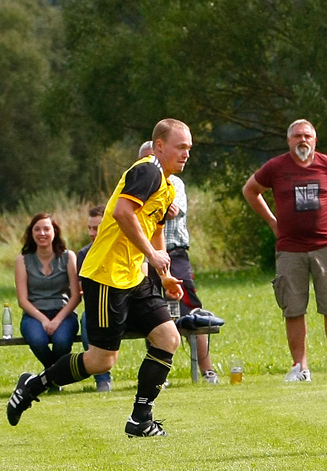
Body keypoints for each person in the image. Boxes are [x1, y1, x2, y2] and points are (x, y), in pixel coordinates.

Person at [7, 118, 193, 437]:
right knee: (101, 361)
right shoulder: (147, 170)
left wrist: (164, 276)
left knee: (168, 338)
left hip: (136, 278)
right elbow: (122, 212)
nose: (187, 153)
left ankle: (140, 419)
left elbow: (157, 229)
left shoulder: (165, 184)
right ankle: (33, 385)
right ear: (159, 146)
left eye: (190, 148)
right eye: (181, 146)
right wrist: (151, 256)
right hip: (107, 277)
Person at [243, 119, 327, 383]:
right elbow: (251, 190)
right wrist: (273, 222)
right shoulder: (276, 167)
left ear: (315, 141)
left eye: (307, 135)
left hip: (326, 247)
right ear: (288, 141)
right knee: (293, 309)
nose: (302, 140)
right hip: (290, 249)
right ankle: (300, 368)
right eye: (297, 136)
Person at [139, 141, 220, 383]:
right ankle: (158, 374)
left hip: (175, 254)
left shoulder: (175, 182)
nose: (150, 165)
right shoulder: (135, 186)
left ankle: (206, 370)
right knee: (152, 310)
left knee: (190, 307)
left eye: (153, 158)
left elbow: (172, 211)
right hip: (146, 256)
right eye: (145, 160)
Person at [14, 214, 81, 376]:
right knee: (37, 340)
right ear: (31, 233)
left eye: (46, 229)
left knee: (62, 341)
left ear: (54, 232)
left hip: (63, 313)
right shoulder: (22, 259)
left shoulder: (68, 256)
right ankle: (54, 375)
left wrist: (57, 320)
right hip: (35, 316)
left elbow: (76, 295)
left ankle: (50, 377)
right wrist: (44, 320)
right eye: (37, 229)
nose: (42, 233)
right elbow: (22, 300)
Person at [77, 205, 114, 392]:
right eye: (89, 228)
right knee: (86, 320)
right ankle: (102, 379)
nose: (92, 233)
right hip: (99, 308)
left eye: (96, 228)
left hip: (128, 308)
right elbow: (82, 290)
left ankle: (154, 377)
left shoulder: (124, 248)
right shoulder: (83, 255)